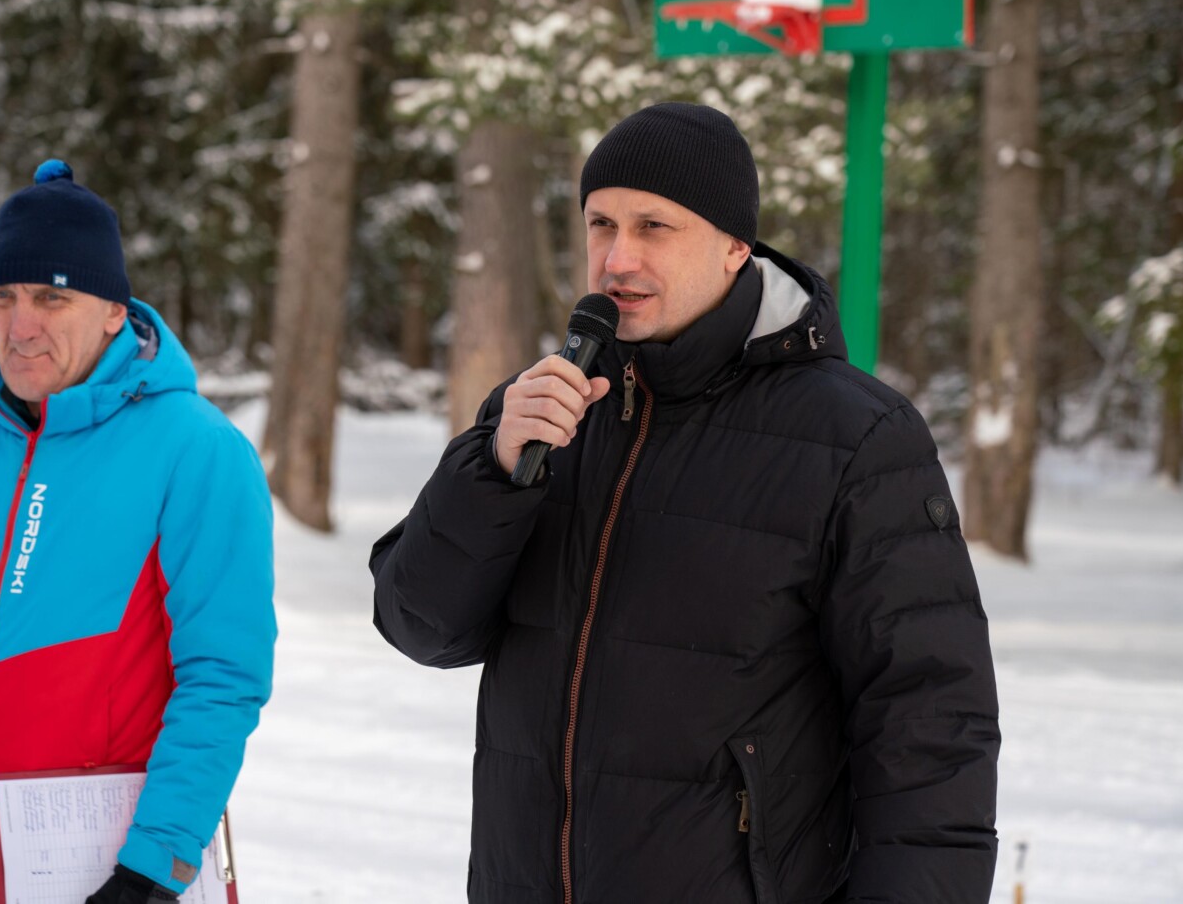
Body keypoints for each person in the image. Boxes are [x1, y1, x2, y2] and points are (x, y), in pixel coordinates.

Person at [371, 103, 1000, 903]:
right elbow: (421, 628)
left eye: (654, 228)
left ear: (736, 247)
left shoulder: (856, 439)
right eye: (601, 224)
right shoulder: (543, 409)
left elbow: (930, 724)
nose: (618, 259)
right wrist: (492, 469)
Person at [0, 160, 276, 904]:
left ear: (112, 311)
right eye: (3, 296)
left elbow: (222, 677)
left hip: (86, 879)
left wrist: (154, 868)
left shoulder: (197, 451)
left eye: (52, 296)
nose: (21, 327)